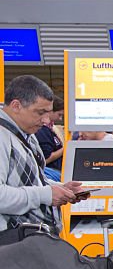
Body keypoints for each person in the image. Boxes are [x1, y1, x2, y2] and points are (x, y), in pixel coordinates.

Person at [0, 76, 83, 231]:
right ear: (16, 105)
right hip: (9, 245)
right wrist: (44, 194)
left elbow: (27, 181)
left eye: (48, 113)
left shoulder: (26, 134)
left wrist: (59, 188)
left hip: (30, 239)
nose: (46, 120)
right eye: (40, 112)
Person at [36, 96, 64, 172]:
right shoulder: (42, 130)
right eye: (59, 114)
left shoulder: (51, 128)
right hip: (52, 172)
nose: (60, 119)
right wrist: (65, 149)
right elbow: (46, 159)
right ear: (50, 111)